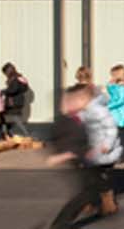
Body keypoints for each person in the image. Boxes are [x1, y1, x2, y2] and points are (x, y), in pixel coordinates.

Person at [45, 85, 103, 229]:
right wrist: (60, 155)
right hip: (76, 159)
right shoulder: (64, 121)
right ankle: (59, 225)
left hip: (83, 158)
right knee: (84, 194)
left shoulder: (80, 117)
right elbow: (56, 140)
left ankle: (96, 203)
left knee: (91, 188)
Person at [80, 81, 123, 215]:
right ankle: (90, 202)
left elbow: (111, 129)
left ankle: (107, 203)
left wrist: (107, 145)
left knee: (99, 177)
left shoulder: (99, 110)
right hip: (90, 148)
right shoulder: (83, 110)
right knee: (88, 177)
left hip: (103, 150)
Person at [0, 62, 31, 139]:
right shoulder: (19, 78)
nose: (5, 74)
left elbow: (13, 89)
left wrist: (4, 91)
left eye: (5, 72)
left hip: (13, 102)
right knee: (3, 114)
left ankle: (26, 134)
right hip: (17, 101)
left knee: (15, 118)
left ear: (8, 71)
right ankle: (7, 132)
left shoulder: (15, 79)